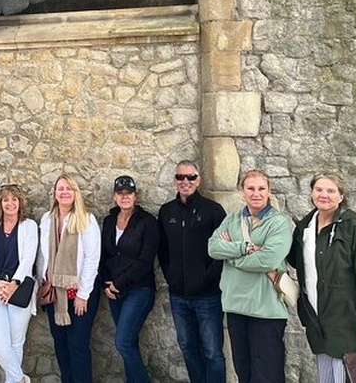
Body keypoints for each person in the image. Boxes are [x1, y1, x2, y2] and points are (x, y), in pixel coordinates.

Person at [288, 172, 356, 383]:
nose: (324, 195)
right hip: (317, 318)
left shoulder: (355, 230)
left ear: (341, 196)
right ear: (312, 193)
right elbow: (296, 261)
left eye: (330, 191)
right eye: (319, 189)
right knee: (326, 377)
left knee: (344, 375)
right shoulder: (304, 228)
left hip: (345, 319)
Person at [208, 169, 293, 383]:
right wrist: (246, 248)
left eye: (261, 188)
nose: (256, 193)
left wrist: (232, 257)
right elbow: (213, 248)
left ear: (269, 192)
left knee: (267, 375)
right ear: (242, 192)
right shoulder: (232, 220)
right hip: (236, 306)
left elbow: (268, 260)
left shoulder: (279, 223)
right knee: (243, 373)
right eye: (251, 188)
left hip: (266, 310)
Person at [156, 161, 227, 383]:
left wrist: (206, 279)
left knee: (213, 352)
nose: (185, 182)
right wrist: (171, 277)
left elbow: (223, 252)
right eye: (180, 177)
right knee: (188, 348)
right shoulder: (166, 211)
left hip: (208, 296)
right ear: (175, 180)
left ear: (199, 180)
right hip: (178, 296)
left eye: (191, 177)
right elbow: (163, 249)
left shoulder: (213, 211)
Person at [36, 174, 101, 383]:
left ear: (75, 194)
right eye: (60, 188)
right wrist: (43, 282)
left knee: (77, 344)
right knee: (60, 344)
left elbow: (92, 258)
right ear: (55, 193)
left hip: (80, 292)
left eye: (69, 189)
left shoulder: (86, 219)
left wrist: (83, 295)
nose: (64, 192)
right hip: (55, 292)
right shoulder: (47, 219)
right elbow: (42, 255)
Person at [100, 175, 158, 383]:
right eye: (120, 193)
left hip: (139, 290)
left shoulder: (147, 222)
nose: (125, 197)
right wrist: (106, 284)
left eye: (129, 193)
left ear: (135, 196)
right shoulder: (109, 221)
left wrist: (118, 283)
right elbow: (103, 256)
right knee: (129, 343)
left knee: (123, 342)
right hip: (114, 291)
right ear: (115, 196)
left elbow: (145, 261)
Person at [0, 184, 39, 383]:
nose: (10, 203)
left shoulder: (28, 226)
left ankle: (13, 381)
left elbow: (29, 258)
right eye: (6, 200)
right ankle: (21, 379)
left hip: (19, 290)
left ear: (20, 203)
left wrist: (14, 284)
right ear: (0, 203)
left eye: (14, 199)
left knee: (15, 343)